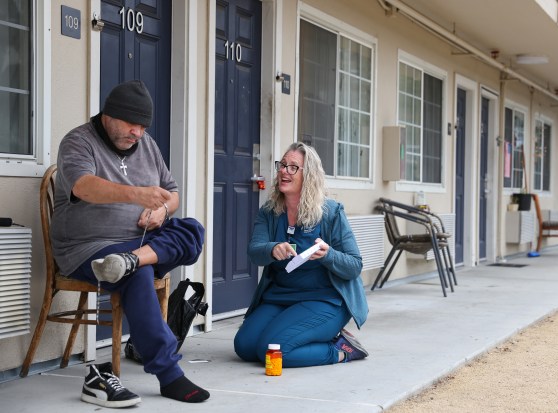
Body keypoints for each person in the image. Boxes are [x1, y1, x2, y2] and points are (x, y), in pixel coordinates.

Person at [51, 80, 210, 407]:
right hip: (86, 247)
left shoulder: (147, 145)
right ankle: (169, 375)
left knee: (191, 230)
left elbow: (172, 193)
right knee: (135, 274)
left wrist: (162, 210)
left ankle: (133, 258)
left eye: (143, 126)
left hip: (139, 241)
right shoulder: (78, 142)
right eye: (131, 124)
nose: (137, 133)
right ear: (109, 116)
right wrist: (138, 194)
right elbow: (83, 187)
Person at [234, 142, 369, 368]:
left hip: (324, 299)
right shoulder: (269, 212)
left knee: (272, 351)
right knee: (245, 346)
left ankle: (340, 350)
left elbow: (354, 265)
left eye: (293, 167)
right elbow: (255, 253)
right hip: (280, 297)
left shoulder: (330, 212)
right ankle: (301, 334)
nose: (284, 171)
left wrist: (328, 255)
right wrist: (271, 249)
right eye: (282, 165)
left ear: (310, 176)